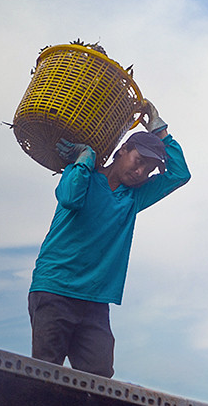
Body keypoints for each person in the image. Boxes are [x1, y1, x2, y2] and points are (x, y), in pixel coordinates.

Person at [28, 103, 189, 377]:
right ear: (122, 151)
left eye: (148, 170)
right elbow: (69, 198)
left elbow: (179, 174)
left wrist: (159, 130)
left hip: (95, 302)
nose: (141, 173)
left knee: (100, 379)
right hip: (54, 290)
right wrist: (85, 157)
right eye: (139, 161)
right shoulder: (83, 175)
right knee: (45, 373)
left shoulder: (134, 197)